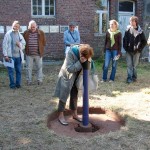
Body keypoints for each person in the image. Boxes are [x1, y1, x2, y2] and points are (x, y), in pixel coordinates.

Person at [54, 44, 94, 125]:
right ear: (80, 54)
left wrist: (88, 61)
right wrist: (80, 62)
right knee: (63, 95)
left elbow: (89, 65)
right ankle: (60, 115)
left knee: (74, 95)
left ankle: (75, 114)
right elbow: (69, 69)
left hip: (77, 76)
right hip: (67, 76)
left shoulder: (87, 51)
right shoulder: (71, 53)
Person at [123, 16, 147, 83]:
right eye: (130, 21)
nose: (131, 22)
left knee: (134, 66)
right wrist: (125, 47)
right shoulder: (127, 29)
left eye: (132, 21)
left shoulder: (140, 31)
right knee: (129, 65)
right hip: (128, 51)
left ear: (135, 22)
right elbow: (124, 39)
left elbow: (144, 41)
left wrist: (139, 49)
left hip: (136, 52)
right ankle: (129, 78)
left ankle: (134, 77)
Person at [3, 21, 26, 89]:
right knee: (11, 71)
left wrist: (20, 44)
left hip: (18, 57)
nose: (15, 27)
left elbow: (24, 44)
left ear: (19, 28)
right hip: (10, 57)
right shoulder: (8, 34)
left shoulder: (20, 35)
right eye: (14, 26)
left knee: (18, 71)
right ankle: (12, 85)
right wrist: (5, 55)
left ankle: (18, 84)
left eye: (17, 26)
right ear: (12, 26)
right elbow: (4, 45)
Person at [23, 20, 46, 85]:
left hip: (38, 54)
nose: (32, 28)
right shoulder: (26, 33)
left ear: (36, 26)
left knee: (39, 68)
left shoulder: (41, 33)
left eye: (34, 26)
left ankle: (39, 80)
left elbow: (44, 42)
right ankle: (28, 81)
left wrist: (40, 49)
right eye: (31, 27)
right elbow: (23, 42)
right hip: (29, 54)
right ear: (29, 27)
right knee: (28, 68)